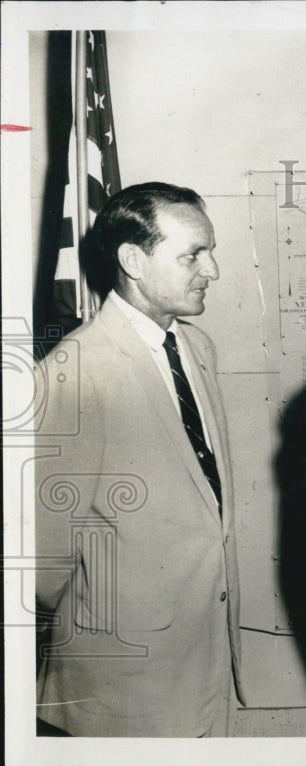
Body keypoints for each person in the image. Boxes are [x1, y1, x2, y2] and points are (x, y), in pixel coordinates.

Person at [33, 183, 243, 736]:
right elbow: (43, 560)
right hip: (122, 684)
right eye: (193, 254)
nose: (212, 270)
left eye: (210, 251)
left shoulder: (197, 349)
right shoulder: (76, 370)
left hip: (205, 662)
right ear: (133, 260)